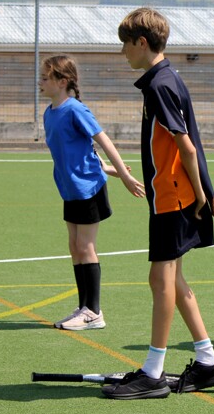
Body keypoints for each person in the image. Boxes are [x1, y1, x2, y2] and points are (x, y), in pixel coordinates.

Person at [102, 7, 214, 400]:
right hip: (176, 194)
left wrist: (202, 195)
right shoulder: (165, 79)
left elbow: (187, 146)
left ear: (142, 43)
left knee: (160, 280)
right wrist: (205, 191)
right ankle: (208, 361)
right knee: (172, 280)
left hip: (174, 196)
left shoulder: (160, 85)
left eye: (125, 44)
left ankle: (153, 372)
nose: (123, 52)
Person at [40, 54, 145, 331]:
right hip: (70, 188)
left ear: (62, 81)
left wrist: (123, 174)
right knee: (74, 246)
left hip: (88, 190)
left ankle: (94, 312)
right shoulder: (50, 113)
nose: (40, 82)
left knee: (86, 247)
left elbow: (103, 141)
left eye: (45, 77)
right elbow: (79, 150)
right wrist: (106, 168)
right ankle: (83, 306)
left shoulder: (75, 109)